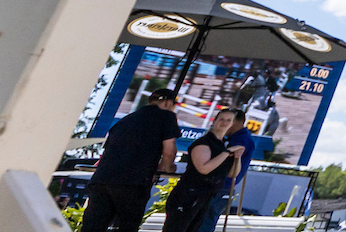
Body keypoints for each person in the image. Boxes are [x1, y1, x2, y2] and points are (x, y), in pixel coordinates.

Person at [80, 87, 180, 232]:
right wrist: (168, 168)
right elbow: (169, 149)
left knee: (92, 227)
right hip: (132, 182)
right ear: (167, 103)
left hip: (102, 178)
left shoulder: (126, 120)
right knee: (127, 226)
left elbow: (109, 148)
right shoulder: (166, 116)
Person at [165, 107, 246, 232]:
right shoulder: (204, 143)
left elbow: (232, 173)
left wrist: (237, 157)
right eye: (222, 119)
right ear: (214, 121)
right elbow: (203, 168)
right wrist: (227, 153)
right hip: (189, 195)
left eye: (229, 120)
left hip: (207, 197)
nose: (224, 122)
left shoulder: (224, 145)